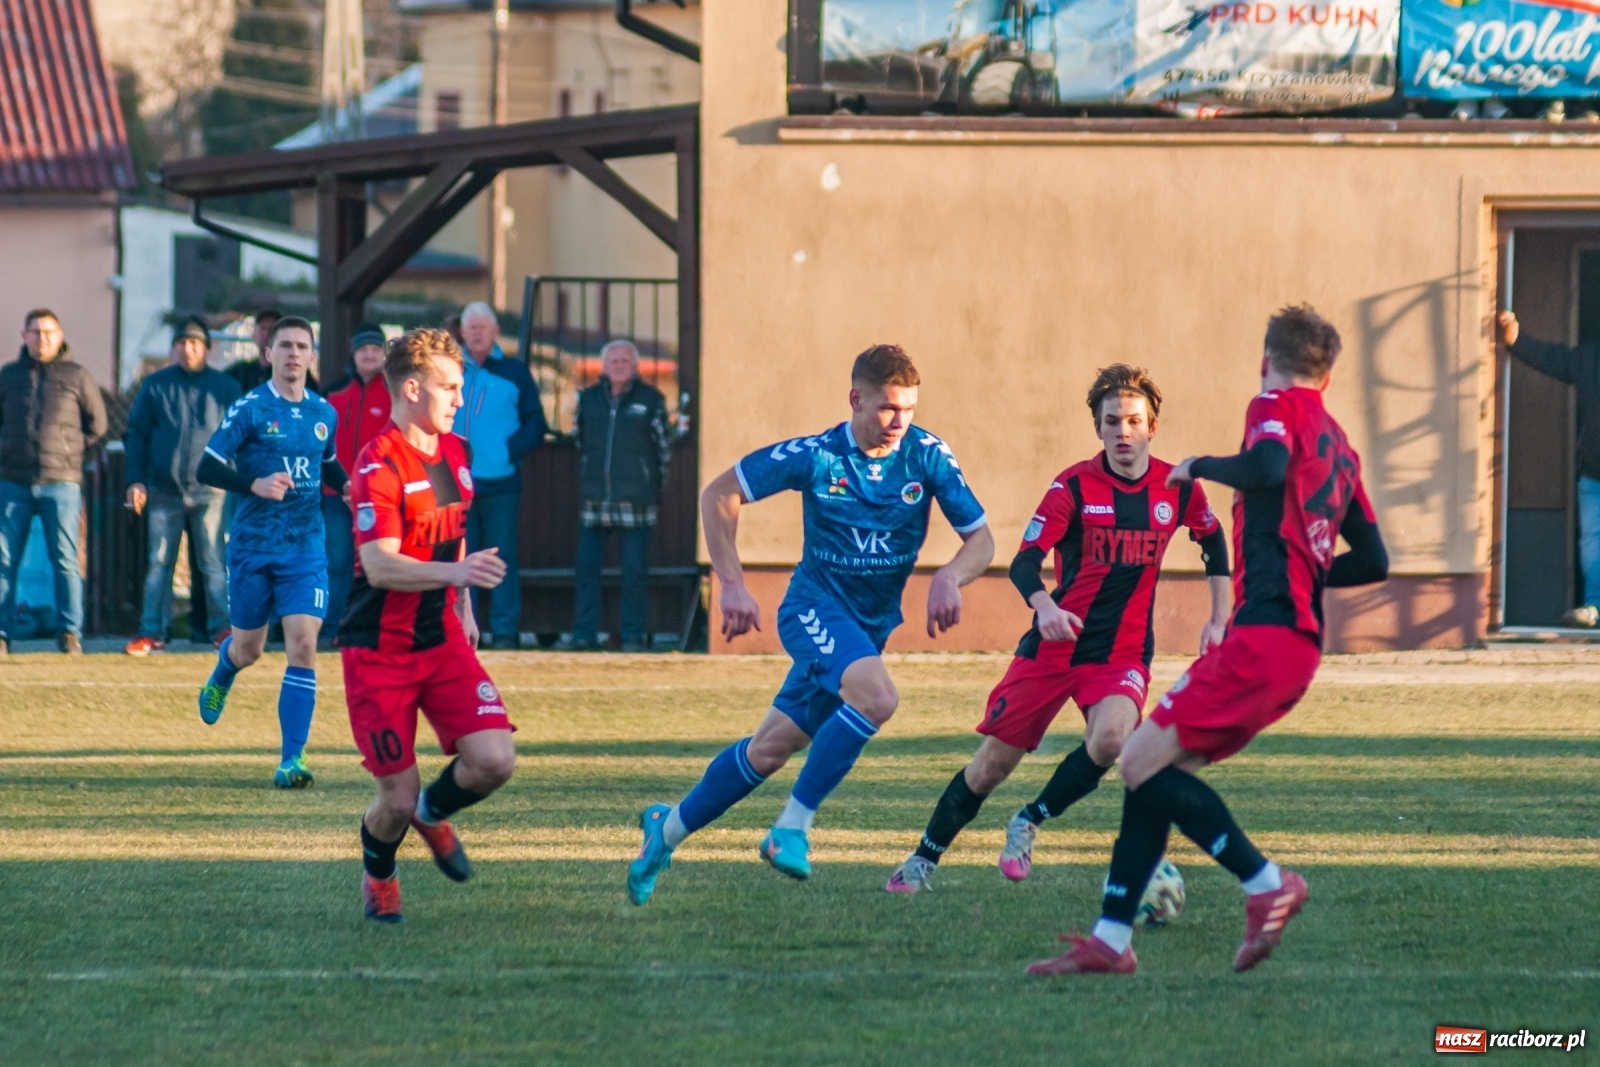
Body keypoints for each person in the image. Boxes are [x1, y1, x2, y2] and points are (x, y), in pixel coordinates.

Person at [1027, 305, 1388, 977]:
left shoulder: (1273, 404)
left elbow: (1270, 462)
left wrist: (1200, 465)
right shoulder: (1341, 445)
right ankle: (1111, 937)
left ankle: (1265, 881)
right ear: (1331, 375)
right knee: (1152, 767)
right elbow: (1374, 560)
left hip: (1265, 633)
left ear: (1265, 360)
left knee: (1136, 761)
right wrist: (1305, 573)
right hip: (1294, 641)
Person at [626, 343, 995, 905]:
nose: (900, 422)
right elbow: (719, 492)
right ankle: (791, 828)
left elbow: (983, 540)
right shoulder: (818, 455)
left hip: (866, 631)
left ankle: (666, 831)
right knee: (877, 698)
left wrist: (951, 576)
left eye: (910, 409)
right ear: (856, 399)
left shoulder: (928, 456)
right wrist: (730, 582)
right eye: (888, 408)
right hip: (812, 610)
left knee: (769, 749)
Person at [885, 365, 1231, 893]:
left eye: (1133, 421)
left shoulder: (1179, 488)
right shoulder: (1072, 485)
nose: (1122, 432)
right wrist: (1044, 606)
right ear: (1097, 427)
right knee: (989, 768)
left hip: (1121, 653)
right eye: (1111, 421)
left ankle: (1030, 819)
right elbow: (1026, 561)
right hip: (1054, 649)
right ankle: (921, 861)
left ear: (1152, 427)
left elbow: (1213, 541)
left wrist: (1218, 616)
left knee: (1113, 737)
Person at [340, 328, 516, 924]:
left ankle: (434, 816)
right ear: (412, 389)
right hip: (379, 653)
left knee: (495, 761)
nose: (459, 398)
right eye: (450, 387)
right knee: (396, 796)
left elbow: (454, 528)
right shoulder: (378, 463)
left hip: (439, 638)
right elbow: (379, 565)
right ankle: (381, 873)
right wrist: (458, 571)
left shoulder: (455, 451)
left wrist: (462, 602)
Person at [195, 316, 345, 789]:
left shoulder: (324, 413)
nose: (294, 354)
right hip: (254, 548)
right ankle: (224, 668)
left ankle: (291, 760)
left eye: (302, 346)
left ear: (312, 355)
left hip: (305, 548)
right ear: (268, 354)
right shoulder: (251, 409)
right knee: (250, 649)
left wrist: (351, 487)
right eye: (285, 346)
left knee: (303, 645)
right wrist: (253, 483)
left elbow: (330, 463)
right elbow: (206, 467)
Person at [123, 316, 241, 654]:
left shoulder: (226, 387)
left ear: (206, 348)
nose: (187, 349)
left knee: (214, 563)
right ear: (173, 348)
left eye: (194, 343)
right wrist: (136, 481)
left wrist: (228, 476)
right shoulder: (155, 385)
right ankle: (151, 632)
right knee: (159, 563)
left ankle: (223, 629)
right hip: (162, 489)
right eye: (181, 343)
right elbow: (138, 435)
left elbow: (238, 437)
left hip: (210, 491)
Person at [0, 308, 109, 656]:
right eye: (35, 332)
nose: (42, 338)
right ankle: (2, 634)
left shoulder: (77, 376)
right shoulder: (9, 376)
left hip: (61, 482)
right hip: (13, 481)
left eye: (49, 332)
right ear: (24, 336)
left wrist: (70, 453)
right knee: (4, 561)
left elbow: (98, 425)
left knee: (64, 559)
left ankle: (69, 633)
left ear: (60, 336)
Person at [1496, 310, 1600, 627]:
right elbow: (1555, 360)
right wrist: (1516, 340)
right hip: (1593, 473)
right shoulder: (1590, 359)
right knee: (1593, 541)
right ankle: (1595, 607)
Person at [571, 340, 675, 651]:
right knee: (586, 569)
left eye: (625, 361)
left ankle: (632, 635)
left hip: (636, 500)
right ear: (603, 367)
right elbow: (580, 440)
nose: (618, 366)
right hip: (595, 499)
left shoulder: (652, 400)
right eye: (613, 361)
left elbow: (664, 451)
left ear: (635, 367)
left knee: (634, 572)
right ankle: (583, 634)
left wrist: (651, 486)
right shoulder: (587, 399)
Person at [456, 302, 547, 648]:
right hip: (456, 483)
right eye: (471, 327)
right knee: (462, 560)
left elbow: (536, 423)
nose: (477, 333)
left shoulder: (515, 372)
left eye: (484, 327)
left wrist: (507, 452)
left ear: (495, 332)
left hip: (501, 482)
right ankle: (464, 631)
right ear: (462, 333)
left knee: (501, 557)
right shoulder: (450, 370)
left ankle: (505, 632)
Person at [322, 323, 391, 647]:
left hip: (376, 497)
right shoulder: (333, 392)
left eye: (375, 349)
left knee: (371, 565)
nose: (369, 354)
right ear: (354, 353)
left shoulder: (394, 393)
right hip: (335, 494)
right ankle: (332, 629)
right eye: (364, 349)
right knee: (336, 563)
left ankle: (365, 628)